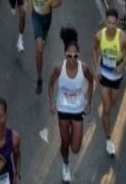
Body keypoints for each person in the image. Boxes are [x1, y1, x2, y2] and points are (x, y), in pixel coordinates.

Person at [48, 26, 94, 184]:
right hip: (63, 110)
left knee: (76, 148)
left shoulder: (84, 68)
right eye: (70, 56)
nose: (73, 59)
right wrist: (51, 103)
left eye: (75, 56)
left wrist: (88, 102)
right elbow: (51, 84)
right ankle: (65, 164)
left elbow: (91, 80)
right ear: (65, 55)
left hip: (78, 110)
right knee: (65, 142)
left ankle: (67, 153)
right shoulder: (58, 68)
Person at [92, 8, 126, 158]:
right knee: (107, 109)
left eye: (114, 23)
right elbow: (94, 50)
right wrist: (96, 68)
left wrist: (122, 64)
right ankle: (109, 139)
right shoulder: (99, 36)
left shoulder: (123, 38)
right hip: (104, 77)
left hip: (117, 77)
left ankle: (105, 116)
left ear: (117, 23)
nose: (111, 26)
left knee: (111, 105)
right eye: (108, 22)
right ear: (105, 21)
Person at [24, 0, 62, 95]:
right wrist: (26, 1)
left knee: (43, 41)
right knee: (39, 47)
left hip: (47, 17)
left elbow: (60, 0)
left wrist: (52, 4)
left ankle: (43, 39)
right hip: (36, 17)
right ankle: (39, 78)